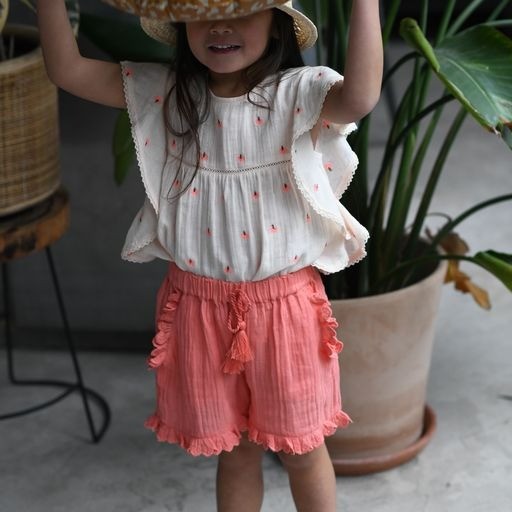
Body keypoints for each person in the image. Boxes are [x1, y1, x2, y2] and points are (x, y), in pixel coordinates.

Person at [36, 1, 383, 510]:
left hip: (284, 311)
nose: (219, 24)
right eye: (203, 9)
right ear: (181, 22)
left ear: (278, 24)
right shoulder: (165, 92)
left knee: (303, 451)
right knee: (235, 452)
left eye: (241, 9)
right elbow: (67, 70)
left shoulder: (297, 93)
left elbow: (359, 97)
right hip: (198, 310)